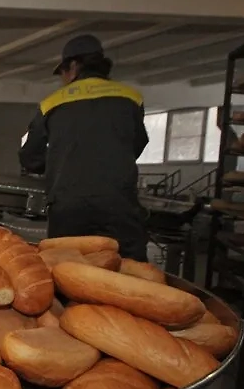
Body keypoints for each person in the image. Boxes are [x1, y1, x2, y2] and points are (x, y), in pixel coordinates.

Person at [18, 34, 150, 262]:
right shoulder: (130, 98)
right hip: (119, 202)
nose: (63, 79)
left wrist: (61, 165)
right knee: (129, 267)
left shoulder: (52, 103)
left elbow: (30, 157)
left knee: (65, 267)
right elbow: (137, 143)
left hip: (69, 205)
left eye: (62, 72)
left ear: (73, 66)